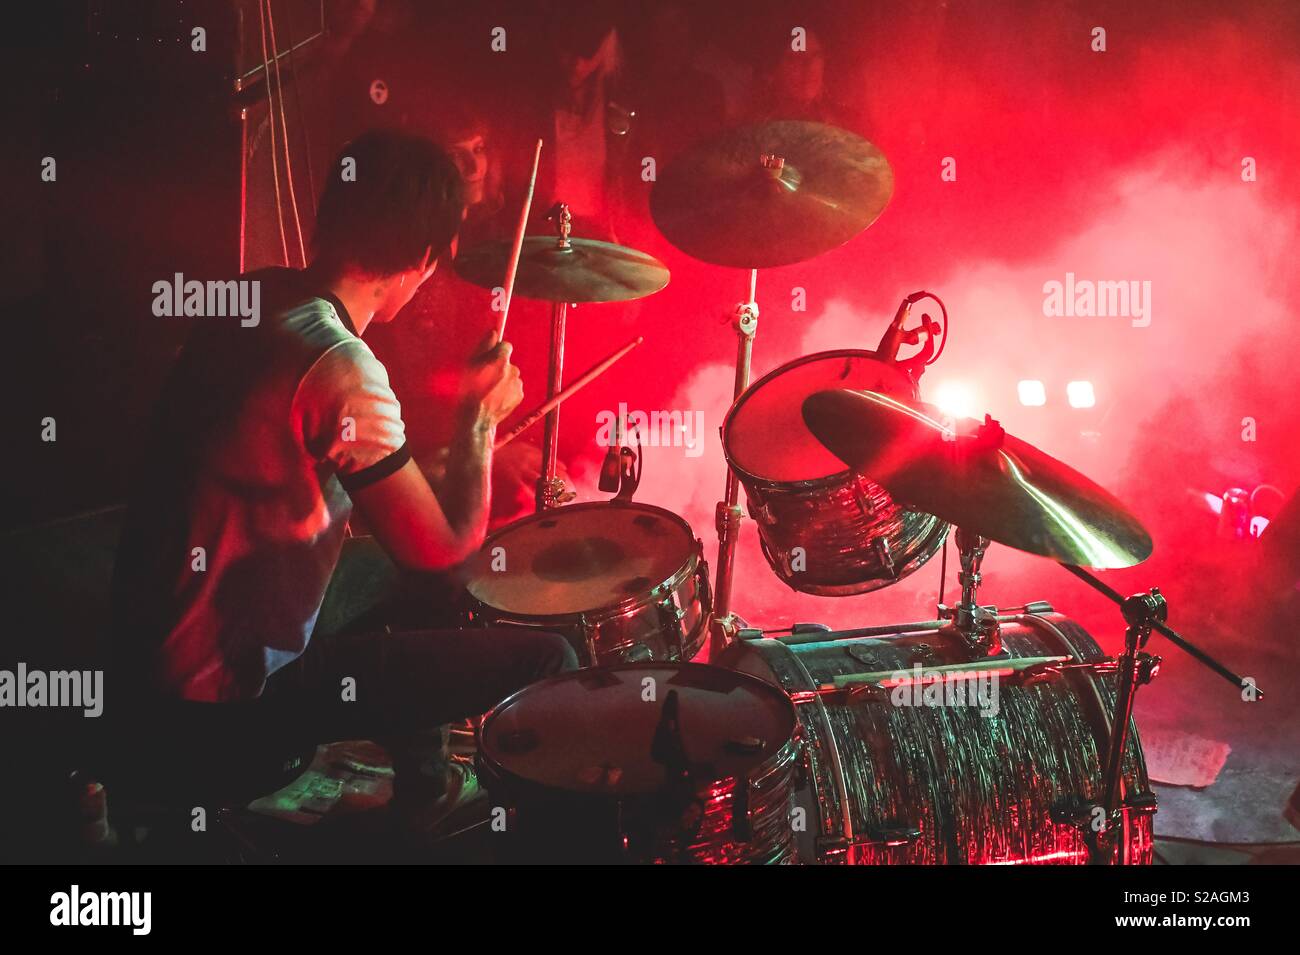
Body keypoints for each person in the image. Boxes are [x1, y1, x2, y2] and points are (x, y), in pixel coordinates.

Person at [111, 130, 578, 841]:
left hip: (144, 668)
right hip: (228, 710)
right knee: (548, 654)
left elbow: (318, 455)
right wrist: (477, 422)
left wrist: (450, 454)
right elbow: (446, 554)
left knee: (392, 569)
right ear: (424, 259)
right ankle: (465, 822)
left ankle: (424, 782)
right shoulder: (339, 365)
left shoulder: (255, 295)